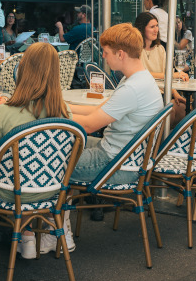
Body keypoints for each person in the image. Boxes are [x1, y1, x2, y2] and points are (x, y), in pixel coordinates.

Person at [0, 43, 72, 268]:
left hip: (11, 192)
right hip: (50, 191)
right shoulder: (64, 113)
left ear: (23, 70)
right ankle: (28, 237)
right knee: (24, 169)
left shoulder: (4, 112)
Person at [68, 23, 164, 189]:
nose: (103, 56)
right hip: (124, 156)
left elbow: (88, 125)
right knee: (63, 144)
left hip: (117, 164)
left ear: (120, 54)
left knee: (48, 160)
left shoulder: (132, 88)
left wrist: (49, 113)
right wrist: (63, 107)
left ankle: (51, 212)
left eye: (106, 52)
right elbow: (98, 110)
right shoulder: (137, 78)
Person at [134, 12, 187, 121]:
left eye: (157, 26)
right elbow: (142, 74)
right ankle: (158, 137)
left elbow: (166, 74)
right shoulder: (135, 50)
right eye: (152, 27)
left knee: (182, 107)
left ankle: (170, 137)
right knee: (169, 111)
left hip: (163, 93)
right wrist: (173, 75)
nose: (156, 30)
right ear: (141, 29)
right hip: (145, 95)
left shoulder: (160, 49)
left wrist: (175, 93)